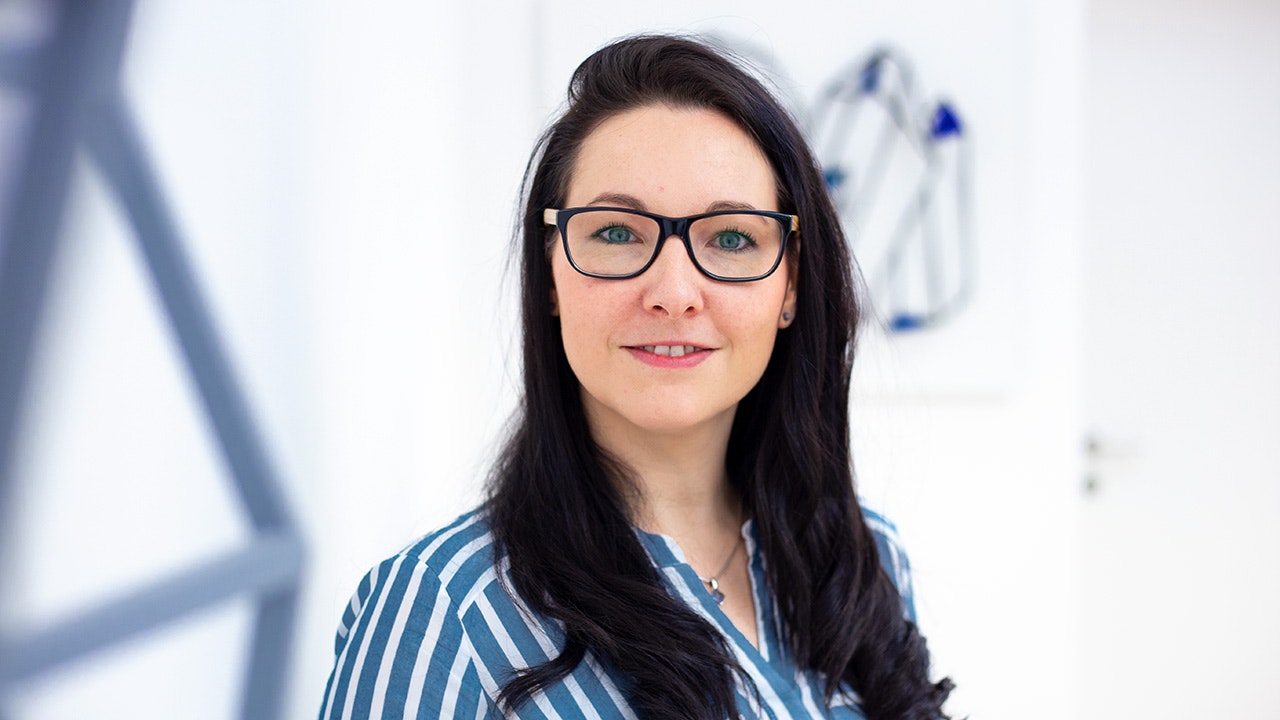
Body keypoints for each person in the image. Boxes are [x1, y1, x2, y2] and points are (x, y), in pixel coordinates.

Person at [318, 34, 953, 720]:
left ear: (790, 283)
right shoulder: (443, 612)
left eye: (732, 237)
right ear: (553, 271)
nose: (674, 291)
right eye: (618, 233)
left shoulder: (865, 561)